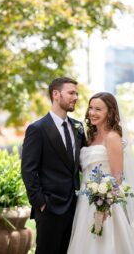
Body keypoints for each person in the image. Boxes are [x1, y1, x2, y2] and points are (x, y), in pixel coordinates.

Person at [67, 92, 134, 254]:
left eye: (98, 109)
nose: (93, 113)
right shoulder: (90, 137)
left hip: (105, 205)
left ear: (109, 112)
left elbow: (118, 176)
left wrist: (104, 207)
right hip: (85, 201)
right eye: (91, 108)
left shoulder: (113, 137)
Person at [21, 77, 86, 254]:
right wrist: (41, 203)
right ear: (56, 95)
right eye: (71, 93)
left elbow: (83, 164)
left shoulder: (78, 127)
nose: (76, 97)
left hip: (76, 207)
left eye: (77, 94)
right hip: (50, 208)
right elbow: (28, 170)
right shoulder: (37, 129)